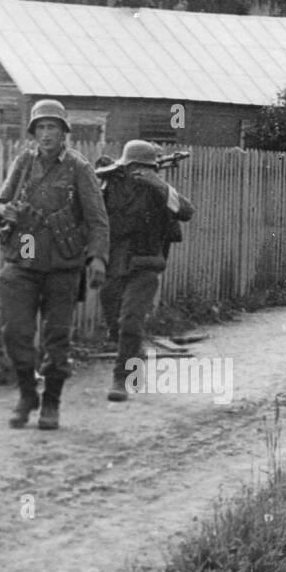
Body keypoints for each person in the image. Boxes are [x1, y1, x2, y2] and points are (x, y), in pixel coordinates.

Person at [0, 99, 109, 430]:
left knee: (56, 337)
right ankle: (27, 393)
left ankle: (52, 402)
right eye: (41, 128)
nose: (46, 134)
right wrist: (4, 212)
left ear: (63, 133)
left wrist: (98, 258)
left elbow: (97, 219)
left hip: (62, 263)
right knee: (16, 331)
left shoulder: (79, 168)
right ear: (33, 132)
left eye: (52, 128)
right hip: (23, 257)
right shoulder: (24, 163)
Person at [98, 140, 194, 401]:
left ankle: (122, 378)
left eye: (146, 169)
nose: (139, 173)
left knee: (131, 320)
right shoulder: (110, 186)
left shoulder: (159, 191)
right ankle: (134, 355)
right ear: (126, 167)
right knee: (115, 322)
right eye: (135, 168)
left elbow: (187, 211)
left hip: (145, 264)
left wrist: (159, 185)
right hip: (115, 264)